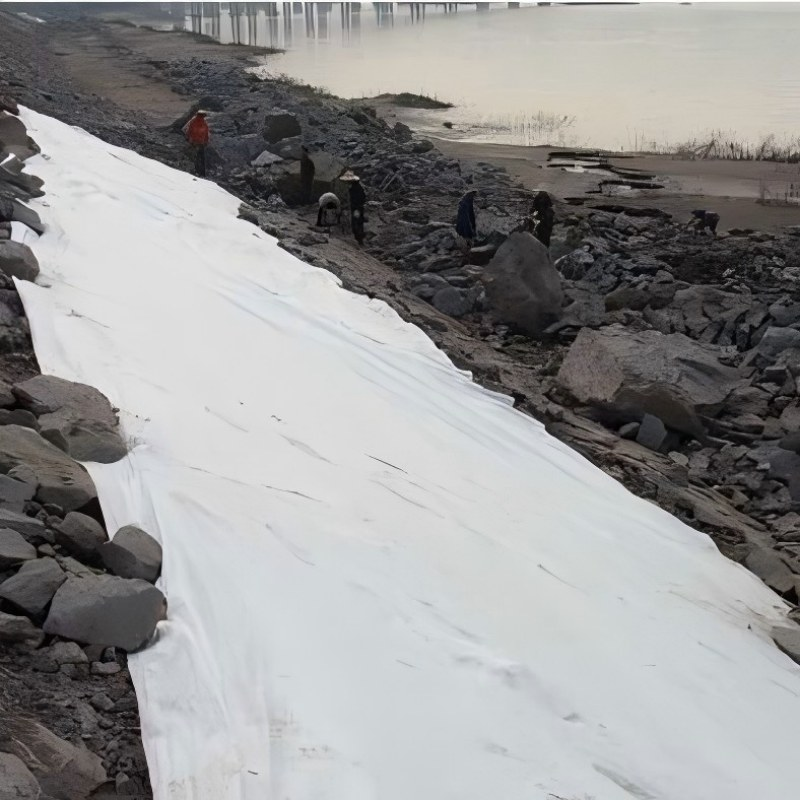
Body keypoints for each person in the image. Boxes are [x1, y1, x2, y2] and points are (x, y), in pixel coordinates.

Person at [342, 172, 367, 245]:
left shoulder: (356, 188)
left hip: (357, 208)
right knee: (358, 223)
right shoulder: (357, 187)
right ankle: (359, 239)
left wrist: (356, 209)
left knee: (357, 223)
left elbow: (359, 199)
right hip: (357, 207)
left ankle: (359, 240)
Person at [183, 110, 209, 177]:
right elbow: (206, 134)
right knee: (201, 158)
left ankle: (196, 172)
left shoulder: (193, 121)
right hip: (201, 143)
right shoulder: (204, 123)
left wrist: (188, 138)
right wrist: (206, 142)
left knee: (194, 157)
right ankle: (202, 174)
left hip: (193, 142)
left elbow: (189, 131)